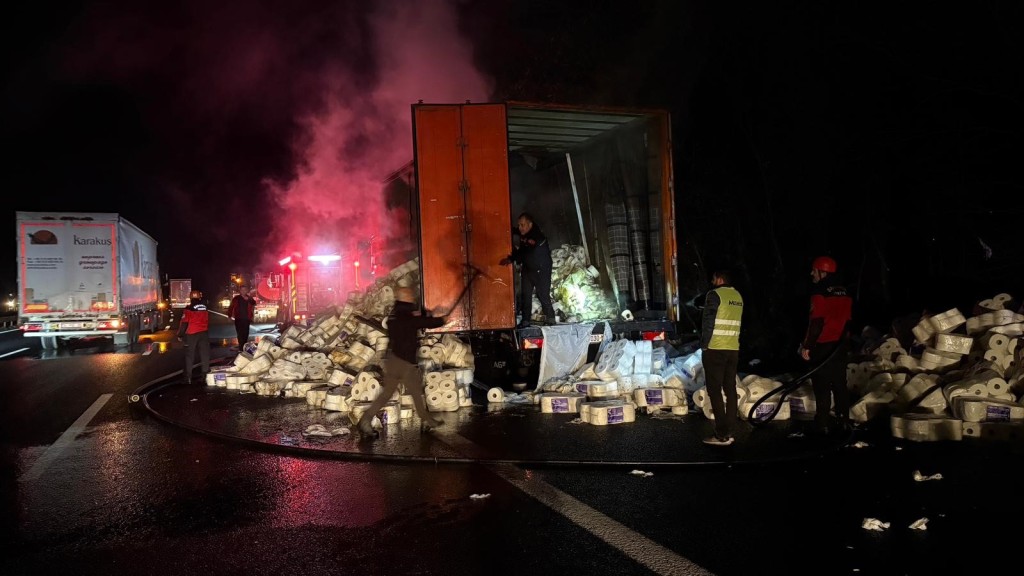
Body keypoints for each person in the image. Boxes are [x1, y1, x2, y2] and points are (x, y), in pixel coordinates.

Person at [357, 287, 447, 438]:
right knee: (417, 392)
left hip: (393, 359)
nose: (413, 297)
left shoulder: (396, 314)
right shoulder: (405, 316)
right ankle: (427, 421)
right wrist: (440, 320)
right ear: (405, 297)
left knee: (386, 394)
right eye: (410, 295)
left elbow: (415, 320)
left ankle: (365, 421)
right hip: (404, 362)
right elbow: (418, 322)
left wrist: (431, 315)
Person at [798, 256, 853, 435]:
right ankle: (844, 420)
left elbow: (816, 323)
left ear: (822, 272)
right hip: (840, 346)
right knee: (839, 384)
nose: (811, 273)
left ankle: (823, 424)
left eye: (814, 270)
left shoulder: (819, 292)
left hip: (822, 346)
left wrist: (807, 346)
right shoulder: (845, 292)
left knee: (821, 386)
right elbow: (849, 321)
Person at [700, 269, 743, 446]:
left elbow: (708, 321)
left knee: (715, 390)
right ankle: (730, 430)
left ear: (719, 279)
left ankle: (721, 434)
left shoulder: (714, 295)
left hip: (715, 349)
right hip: (733, 349)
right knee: (730, 389)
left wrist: (704, 344)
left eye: (713, 278)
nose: (712, 282)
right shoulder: (738, 297)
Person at [499, 212, 557, 328]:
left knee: (542, 295)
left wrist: (511, 259)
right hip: (528, 268)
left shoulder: (536, 237)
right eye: (519, 225)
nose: (520, 228)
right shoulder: (525, 232)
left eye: (522, 225)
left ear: (530, 224)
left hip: (541, 270)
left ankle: (551, 318)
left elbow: (525, 252)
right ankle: (526, 320)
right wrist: (506, 228)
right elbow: (517, 233)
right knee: (526, 295)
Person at [177, 289, 210, 385]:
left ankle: (187, 378)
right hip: (203, 333)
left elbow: (184, 323)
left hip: (191, 334)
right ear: (200, 297)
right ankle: (205, 376)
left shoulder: (188, 308)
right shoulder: (205, 307)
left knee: (189, 356)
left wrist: (180, 335)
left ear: (191, 297)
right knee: (205, 355)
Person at [228, 284, 256, 350]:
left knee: (246, 333)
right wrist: (229, 316)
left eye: (245, 290)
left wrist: (248, 299)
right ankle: (241, 347)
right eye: (242, 290)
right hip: (238, 319)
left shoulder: (249, 298)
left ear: (247, 291)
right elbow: (231, 307)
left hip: (247, 319)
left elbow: (254, 303)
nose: (243, 291)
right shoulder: (236, 298)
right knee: (240, 333)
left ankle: (244, 347)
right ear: (240, 291)